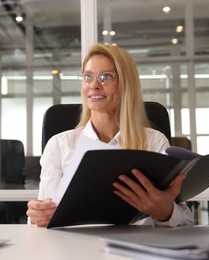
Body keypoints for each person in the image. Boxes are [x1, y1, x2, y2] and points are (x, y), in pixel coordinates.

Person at [27, 43, 194, 227]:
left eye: (106, 77)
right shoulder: (59, 144)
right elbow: (40, 218)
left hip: (138, 251)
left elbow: (186, 222)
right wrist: (38, 216)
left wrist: (165, 212)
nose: (94, 85)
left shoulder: (153, 141)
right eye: (88, 77)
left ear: (126, 84)